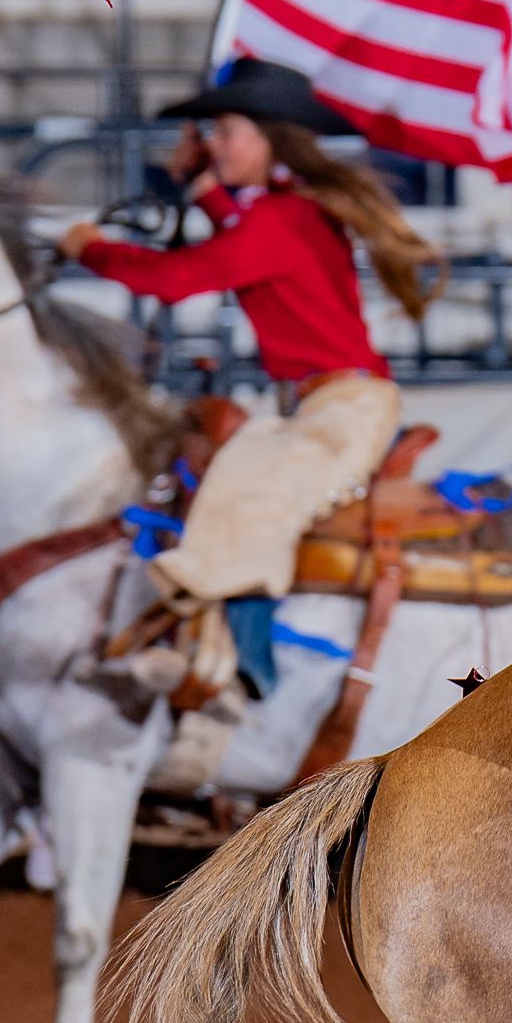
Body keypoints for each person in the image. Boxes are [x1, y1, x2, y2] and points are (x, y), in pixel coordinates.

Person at [55, 59, 444, 675]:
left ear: (270, 139)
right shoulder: (288, 212)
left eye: (228, 131)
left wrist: (91, 249)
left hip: (343, 409)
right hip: (335, 403)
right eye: (213, 132)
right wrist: (205, 186)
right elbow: (238, 237)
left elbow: (177, 277)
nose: (216, 142)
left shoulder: (279, 218)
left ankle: (238, 668)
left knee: (253, 494)